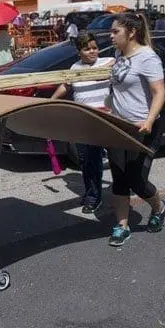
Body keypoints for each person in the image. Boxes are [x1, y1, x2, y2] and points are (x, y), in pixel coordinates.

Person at [107, 12, 165, 247]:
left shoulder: (148, 58)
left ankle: (159, 207)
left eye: (115, 32)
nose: (111, 36)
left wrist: (149, 120)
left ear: (131, 32)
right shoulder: (119, 55)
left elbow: (159, 92)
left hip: (143, 128)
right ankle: (122, 226)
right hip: (117, 126)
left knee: (137, 180)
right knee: (119, 179)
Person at [51, 32, 114, 213]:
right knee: (88, 161)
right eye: (87, 49)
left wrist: (105, 68)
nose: (92, 52)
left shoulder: (106, 63)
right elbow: (66, 85)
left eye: (95, 48)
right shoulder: (74, 68)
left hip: (106, 119)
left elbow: (121, 61)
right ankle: (92, 195)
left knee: (114, 159)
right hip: (83, 121)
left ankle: (111, 194)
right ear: (79, 51)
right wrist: (53, 101)